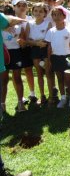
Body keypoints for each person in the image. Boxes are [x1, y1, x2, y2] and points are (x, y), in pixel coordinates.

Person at [0, 13, 32, 176]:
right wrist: (22, 19)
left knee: (17, 78)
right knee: (3, 81)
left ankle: (20, 102)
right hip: (4, 57)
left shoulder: (17, 27)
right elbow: (8, 21)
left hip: (15, 54)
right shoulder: (5, 21)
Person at [45, 7, 70, 108]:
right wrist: (49, 60)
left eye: (59, 14)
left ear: (64, 16)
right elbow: (49, 47)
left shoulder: (69, 31)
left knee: (68, 79)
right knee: (60, 79)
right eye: (54, 15)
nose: (57, 17)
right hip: (55, 58)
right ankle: (63, 98)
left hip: (67, 58)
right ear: (52, 17)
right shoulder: (51, 31)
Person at [25, 3, 52, 104]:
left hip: (46, 50)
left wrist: (43, 42)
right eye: (36, 11)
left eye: (41, 11)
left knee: (48, 73)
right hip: (35, 50)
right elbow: (27, 40)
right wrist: (37, 42)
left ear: (45, 13)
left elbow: (49, 38)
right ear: (32, 12)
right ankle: (42, 95)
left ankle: (51, 96)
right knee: (39, 74)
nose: (38, 13)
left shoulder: (48, 23)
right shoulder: (29, 24)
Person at [12, 0, 37, 103]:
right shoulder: (10, 20)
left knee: (28, 70)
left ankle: (32, 94)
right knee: (16, 73)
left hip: (27, 48)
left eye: (24, 5)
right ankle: (20, 97)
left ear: (27, 8)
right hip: (13, 49)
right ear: (14, 8)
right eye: (19, 5)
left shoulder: (31, 19)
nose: (22, 7)